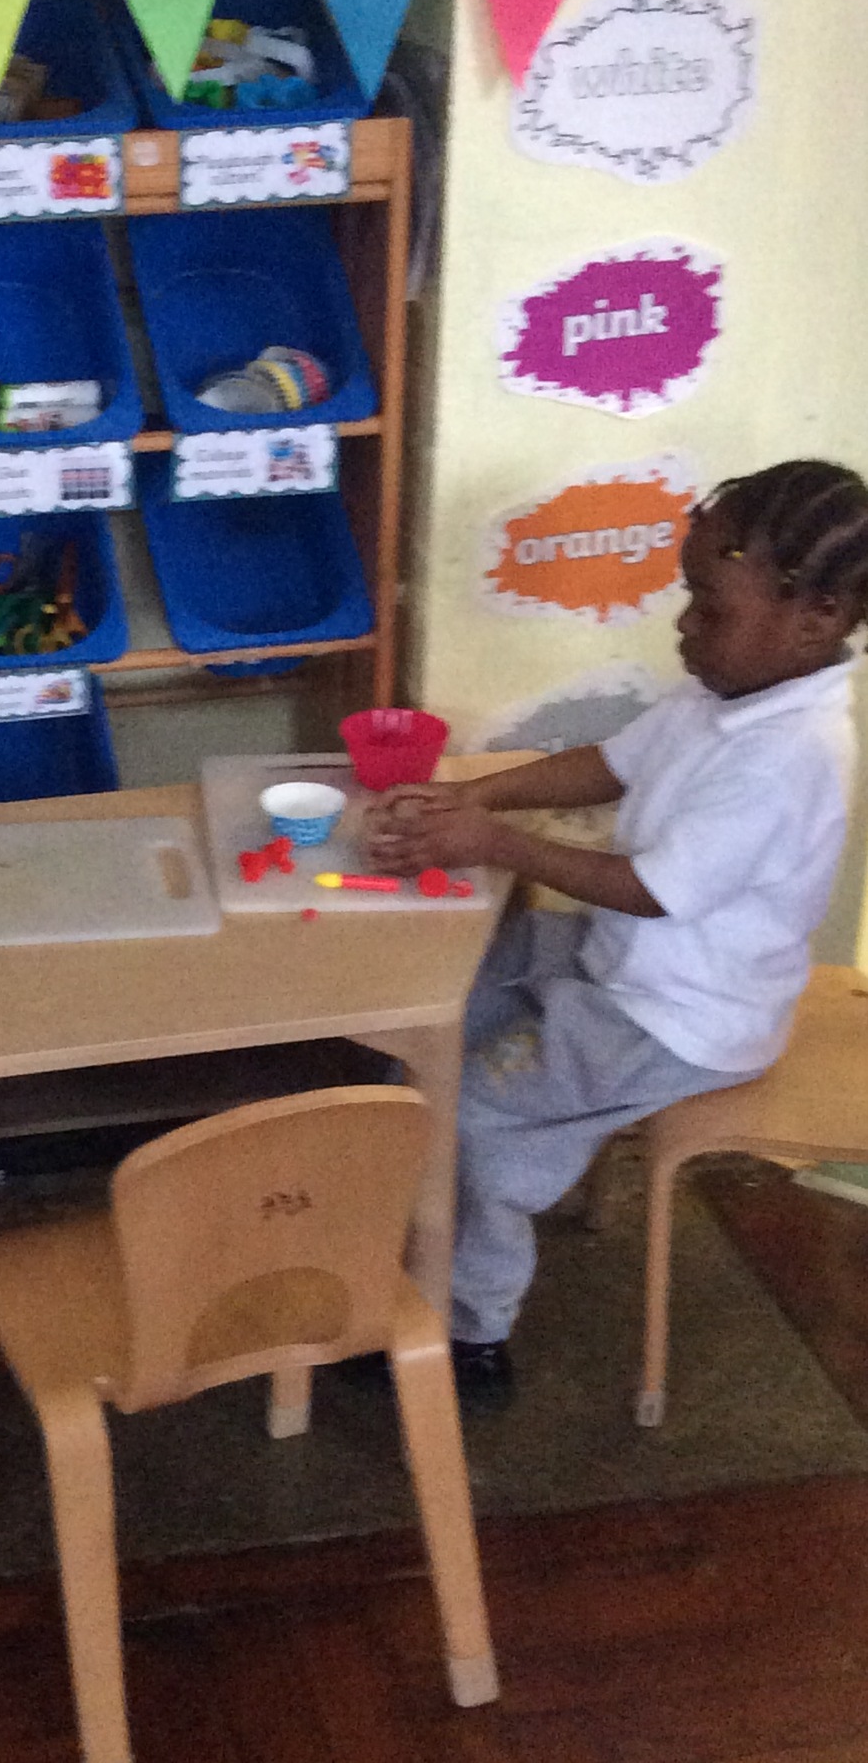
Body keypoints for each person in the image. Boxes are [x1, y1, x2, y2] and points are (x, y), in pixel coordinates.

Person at [367, 460, 868, 1402]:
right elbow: (611, 764)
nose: (684, 625)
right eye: (690, 597)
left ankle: (467, 1333)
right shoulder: (725, 693)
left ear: (817, 618)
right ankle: (403, 1205)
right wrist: (477, 797)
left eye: (710, 607)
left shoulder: (787, 757)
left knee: (477, 1118)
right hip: (622, 962)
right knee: (439, 1000)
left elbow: (647, 890)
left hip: (675, 1018)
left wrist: (492, 840)